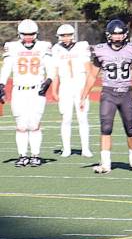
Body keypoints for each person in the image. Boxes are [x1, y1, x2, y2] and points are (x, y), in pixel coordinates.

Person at [84, 19, 132, 174]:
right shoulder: (100, 50)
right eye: (114, 34)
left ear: (125, 34)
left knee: (131, 130)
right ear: (108, 35)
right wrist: (83, 95)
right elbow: (92, 75)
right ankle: (105, 164)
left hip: (126, 93)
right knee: (106, 128)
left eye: (120, 34)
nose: (117, 37)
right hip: (108, 93)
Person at [0, 19, 54, 167]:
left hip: (37, 90)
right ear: (20, 34)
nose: (28, 37)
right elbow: (7, 67)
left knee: (35, 125)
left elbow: (50, 67)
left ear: (36, 34)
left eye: (31, 34)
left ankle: (35, 155)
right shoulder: (12, 47)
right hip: (19, 91)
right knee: (21, 126)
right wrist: (1, 84)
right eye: (25, 34)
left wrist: (49, 80)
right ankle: (23, 155)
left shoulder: (44, 47)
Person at [51, 24, 93, 157]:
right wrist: (54, 90)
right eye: (63, 35)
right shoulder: (56, 49)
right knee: (66, 118)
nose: (66, 38)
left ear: (73, 35)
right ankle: (66, 148)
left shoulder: (81, 46)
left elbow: (88, 70)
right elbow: (55, 72)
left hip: (79, 85)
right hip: (65, 87)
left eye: (68, 35)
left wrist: (86, 90)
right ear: (59, 37)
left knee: (82, 118)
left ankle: (85, 149)